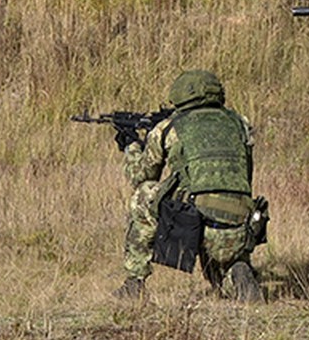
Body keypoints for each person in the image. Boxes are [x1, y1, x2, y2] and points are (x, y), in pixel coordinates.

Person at [114, 69, 266, 302]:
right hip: (241, 224)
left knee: (144, 196)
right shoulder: (240, 123)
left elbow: (141, 175)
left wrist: (132, 146)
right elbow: (246, 174)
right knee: (220, 279)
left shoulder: (169, 128)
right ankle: (237, 271)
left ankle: (134, 283)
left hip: (198, 218)